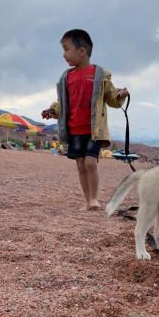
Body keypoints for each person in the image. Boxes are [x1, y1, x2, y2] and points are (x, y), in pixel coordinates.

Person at [42, 29, 129, 211]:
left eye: (67, 49)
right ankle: (87, 199)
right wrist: (52, 110)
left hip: (94, 129)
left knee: (90, 162)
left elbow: (111, 98)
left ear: (82, 51)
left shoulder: (99, 74)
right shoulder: (66, 77)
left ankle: (95, 199)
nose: (64, 55)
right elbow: (62, 102)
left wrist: (120, 94)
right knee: (81, 165)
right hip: (74, 129)